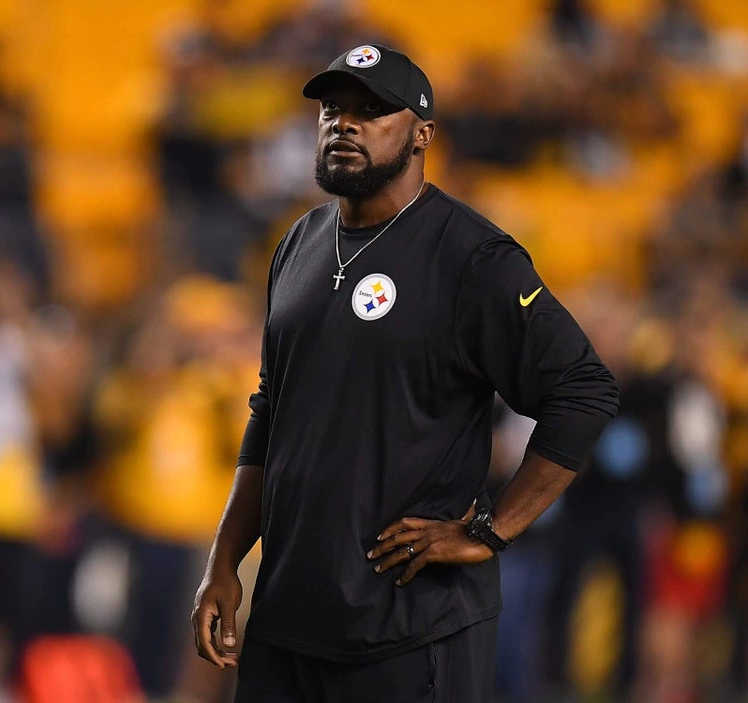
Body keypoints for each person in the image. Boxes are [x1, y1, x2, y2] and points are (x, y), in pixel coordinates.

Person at [190, 44, 620, 702]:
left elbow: (583, 389)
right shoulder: (298, 243)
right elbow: (271, 411)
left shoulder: (473, 257)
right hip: (289, 621)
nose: (344, 123)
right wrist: (224, 559)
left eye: (372, 110)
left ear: (422, 134)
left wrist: (492, 529)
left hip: (411, 626)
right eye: (332, 108)